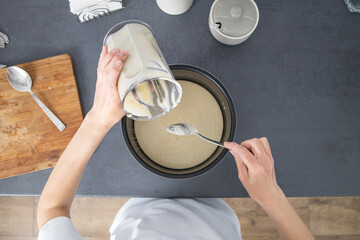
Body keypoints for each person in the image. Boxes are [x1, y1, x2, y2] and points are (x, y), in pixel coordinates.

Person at [37, 46, 315, 240]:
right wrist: (271, 197)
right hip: (218, 217)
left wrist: (99, 117)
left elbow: (52, 209)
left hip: (138, 212)